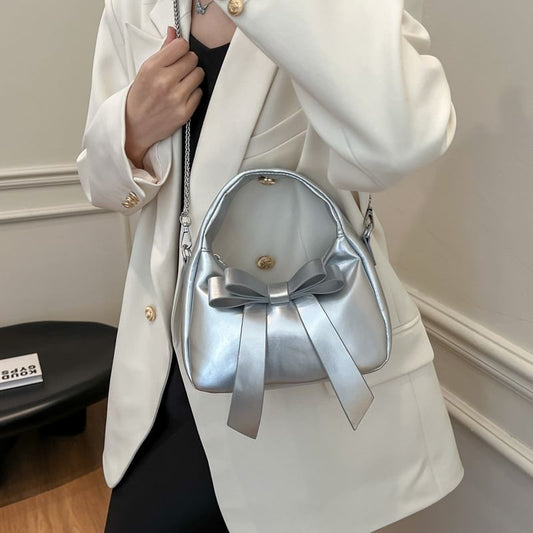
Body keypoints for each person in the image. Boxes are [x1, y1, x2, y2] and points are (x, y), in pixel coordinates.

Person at [77, 1, 464, 531]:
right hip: (164, 368)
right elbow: (100, 185)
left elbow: (404, 138)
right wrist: (131, 129)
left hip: (301, 381)